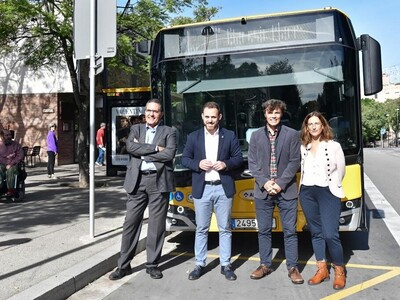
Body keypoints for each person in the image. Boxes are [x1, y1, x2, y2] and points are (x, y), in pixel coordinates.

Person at [109, 99, 176, 281]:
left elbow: (169, 154)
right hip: (137, 182)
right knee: (130, 223)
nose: (151, 114)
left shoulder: (169, 131)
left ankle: (152, 265)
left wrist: (142, 150)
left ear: (160, 114)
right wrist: (154, 148)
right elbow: (130, 147)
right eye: (148, 111)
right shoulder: (136, 129)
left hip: (158, 182)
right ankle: (123, 266)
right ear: (144, 112)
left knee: (156, 225)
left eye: (155, 111)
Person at [182, 101, 243, 281]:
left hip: (223, 188)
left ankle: (226, 265)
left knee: (225, 229)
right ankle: (199, 264)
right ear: (202, 117)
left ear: (219, 117)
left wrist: (226, 164)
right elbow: (185, 159)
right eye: (207, 117)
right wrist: (197, 164)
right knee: (201, 228)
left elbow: (238, 158)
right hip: (203, 189)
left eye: (213, 117)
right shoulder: (193, 137)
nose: (210, 120)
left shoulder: (229, 135)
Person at [248, 99, 304, 284]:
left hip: (286, 190)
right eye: (270, 112)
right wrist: (265, 183)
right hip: (263, 191)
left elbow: (295, 162)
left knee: (290, 231)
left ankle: (293, 268)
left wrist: (279, 183)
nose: (273, 116)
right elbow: (253, 164)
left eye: (277, 113)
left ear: (281, 114)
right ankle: (265, 265)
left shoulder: (292, 135)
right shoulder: (255, 136)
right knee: (263, 230)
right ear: (265, 114)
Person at [299, 111, 346, 290]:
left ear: (323, 125)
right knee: (316, 232)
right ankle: (322, 269)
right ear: (306, 127)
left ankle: (339, 271)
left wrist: (333, 186)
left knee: (330, 234)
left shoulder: (334, 146)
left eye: (316, 123)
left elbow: (341, 170)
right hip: (307, 192)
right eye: (310, 124)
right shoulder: (304, 146)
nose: (313, 127)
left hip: (328, 192)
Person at [0, 129, 24, 197]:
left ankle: (10, 190)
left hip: (13, 164)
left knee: (11, 170)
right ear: (2, 136)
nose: (9, 136)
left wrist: (11, 163)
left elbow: (20, 155)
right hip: (1, 164)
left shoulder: (16, 145)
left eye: (10, 134)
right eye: (7, 135)